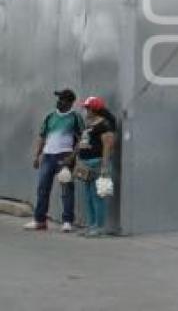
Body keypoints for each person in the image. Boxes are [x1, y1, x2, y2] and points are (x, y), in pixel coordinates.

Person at [25, 89, 85, 232]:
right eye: (58, 99)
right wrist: (37, 155)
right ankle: (40, 221)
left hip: (65, 156)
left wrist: (72, 156)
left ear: (70, 102)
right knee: (42, 189)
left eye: (62, 99)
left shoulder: (75, 118)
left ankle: (67, 221)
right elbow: (42, 137)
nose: (58, 101)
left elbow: (83, 139)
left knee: (66, 189)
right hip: (48, 156)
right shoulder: (50, 117)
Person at [76, 97, 116, 238]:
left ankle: (99, 227)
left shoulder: (104, 125)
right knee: (88, 196)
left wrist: (105, 165)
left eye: (87, 108)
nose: (85, 110)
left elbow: (108, 145)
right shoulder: (90, 124)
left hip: (97, 162)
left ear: (94, 109)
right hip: (86, 163)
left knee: (97, 196)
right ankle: (91, 225)